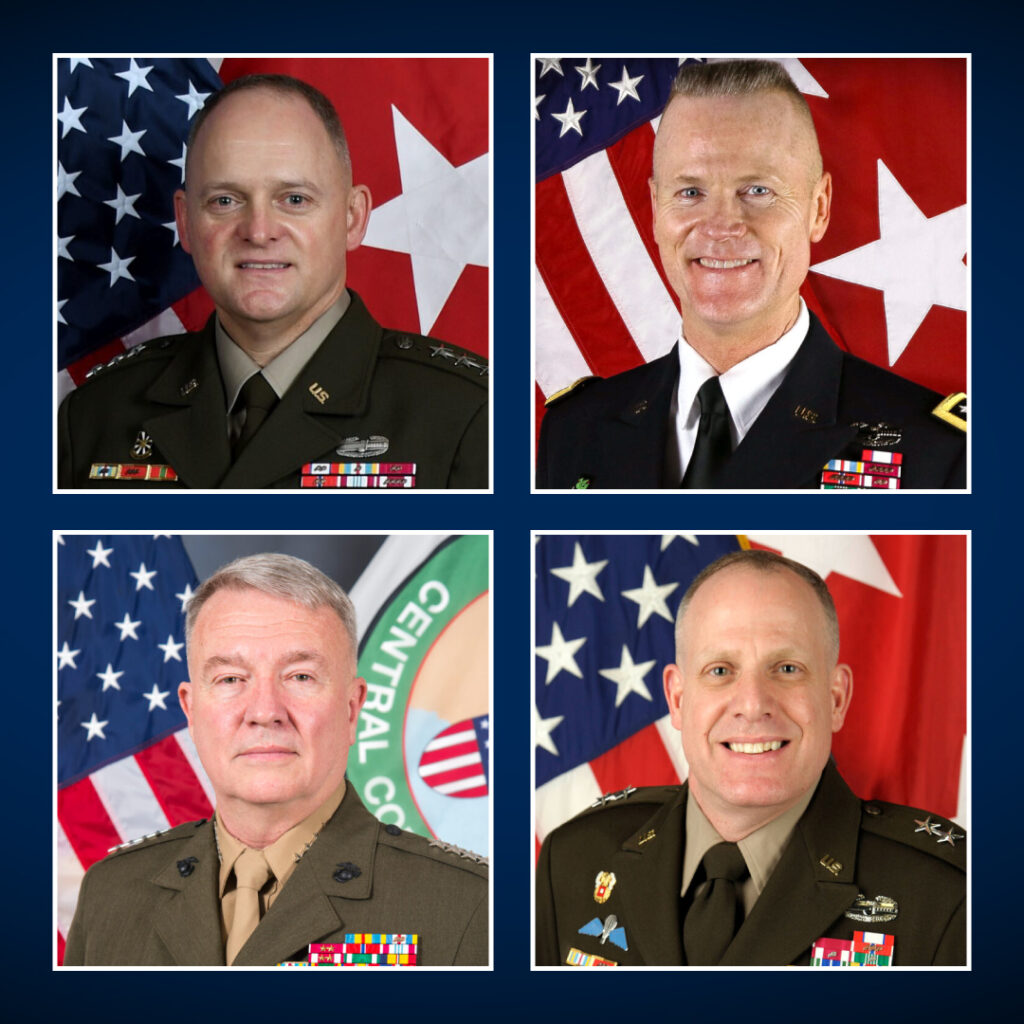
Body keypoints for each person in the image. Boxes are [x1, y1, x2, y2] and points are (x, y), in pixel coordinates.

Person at [537, 60, 965, 489]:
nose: (721, 226)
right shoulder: (574, 430)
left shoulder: (938, 452)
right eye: (690, 192)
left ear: (819, 209)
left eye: (758, 191)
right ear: (655, 208)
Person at [536, 549, 965, 966]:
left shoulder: (947, 897)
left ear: (836, 699)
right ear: (678, 699)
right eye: (720, 670)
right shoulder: (574, 859)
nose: (753, 703)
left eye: (787, 669)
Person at [58, 73, 488, 489]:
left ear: (353, 218)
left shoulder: (469, 414)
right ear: (186, 222)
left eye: (294, 199)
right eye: (225, 201)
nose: (259, 231)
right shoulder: (95, 414)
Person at [64, 554, 488, 966]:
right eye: (231, 679)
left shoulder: (468, 904)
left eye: (300, 676)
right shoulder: (112, 894)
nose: (265, 710)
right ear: (191, 713)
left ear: (352, 708)